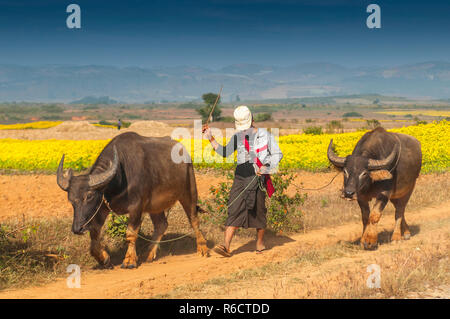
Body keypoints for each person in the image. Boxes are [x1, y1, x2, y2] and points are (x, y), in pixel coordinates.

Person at [202, 105, 283, 257]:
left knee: (258, 211)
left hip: (257, 177)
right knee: (234, 208)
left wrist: (266, 167)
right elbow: (225, 152)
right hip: (240, 177)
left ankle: (259, 243)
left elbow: (278, 154)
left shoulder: (265, 136)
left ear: (252, 120)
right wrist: (210, 138)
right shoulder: (237, 137)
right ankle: (226, 246)